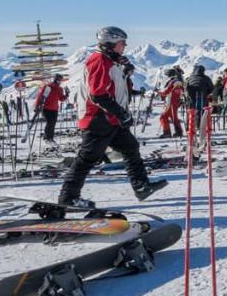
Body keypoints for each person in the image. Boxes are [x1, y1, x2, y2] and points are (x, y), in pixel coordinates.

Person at [58, 27, 167, 208]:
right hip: (98, 118)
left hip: (110, 118)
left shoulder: (112, 61)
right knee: (87, 158)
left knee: (130, 147)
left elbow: (115, 89)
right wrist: (120, 113)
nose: (125, 46)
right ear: (110, 43)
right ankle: (68, 197)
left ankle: (141, 186)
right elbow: (98, 95)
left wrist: (126, 73)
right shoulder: (100, 61)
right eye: (121, 43)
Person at [33, 73, 67, 143]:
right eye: (58, 80)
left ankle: (50, 138)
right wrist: (37, 106)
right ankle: (47, 138)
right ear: (55, 79)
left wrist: (66, 95)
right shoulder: (48, 87)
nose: (59, 81)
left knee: (53, 123)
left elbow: (61, 98)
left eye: (60, 80)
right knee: (50, 122)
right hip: (46, 108)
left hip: (55, 109)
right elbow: (40, 96)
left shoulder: (59, 89)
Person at [156, 67, 185, 138]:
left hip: (170, 101)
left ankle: (167, 132)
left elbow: (166, 92)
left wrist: (158, 91)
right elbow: (181, 91)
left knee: (163, 117)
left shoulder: (172, 82)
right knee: (173, 117)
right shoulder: (178, 81)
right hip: (176, 102)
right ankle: (179, 132)